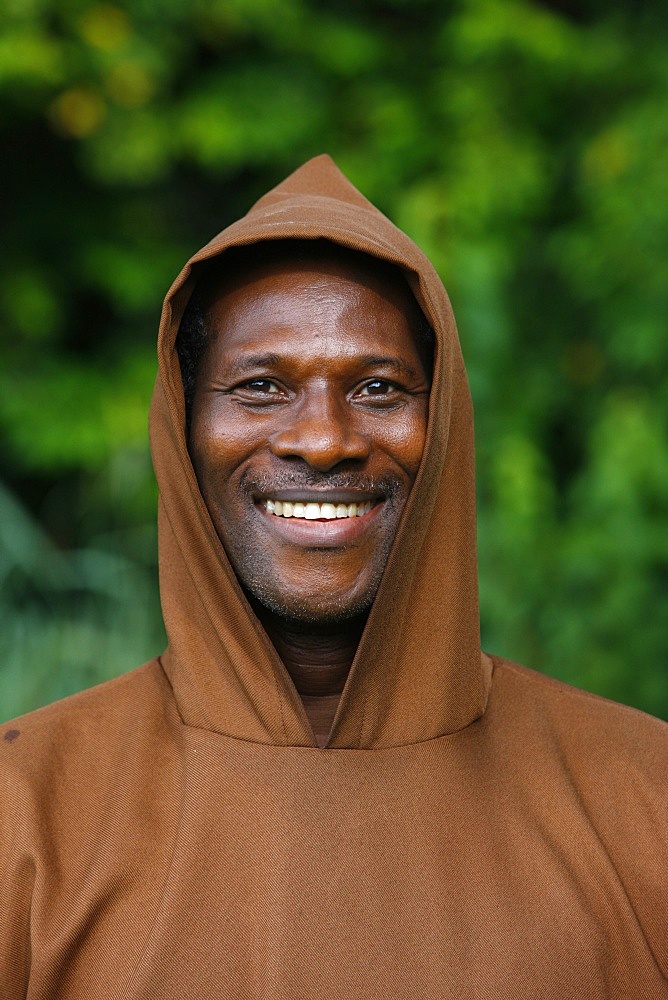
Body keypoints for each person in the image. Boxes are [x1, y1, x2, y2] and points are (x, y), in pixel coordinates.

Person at [1, 154, 666, 998]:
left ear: (447, 420)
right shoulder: (23, 816)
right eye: (262, 387)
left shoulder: (645, 798)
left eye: (381, 388)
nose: (323, 439)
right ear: (183, 422)